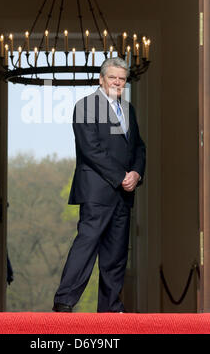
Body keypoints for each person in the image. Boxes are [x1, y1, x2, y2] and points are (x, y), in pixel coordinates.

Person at [52, 57, 146, 313]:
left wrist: (136, 173)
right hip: (97, 190)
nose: (117, 82)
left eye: (122, 78)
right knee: (87, 245)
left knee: (116, 254)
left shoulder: (129, 110)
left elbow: (138, 146)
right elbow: (90, 149)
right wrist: (121, 177)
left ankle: (110, 308)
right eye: (113, 77)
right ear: (101, 79)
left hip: (123, 194)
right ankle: (64, 302)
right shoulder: (85, 107)